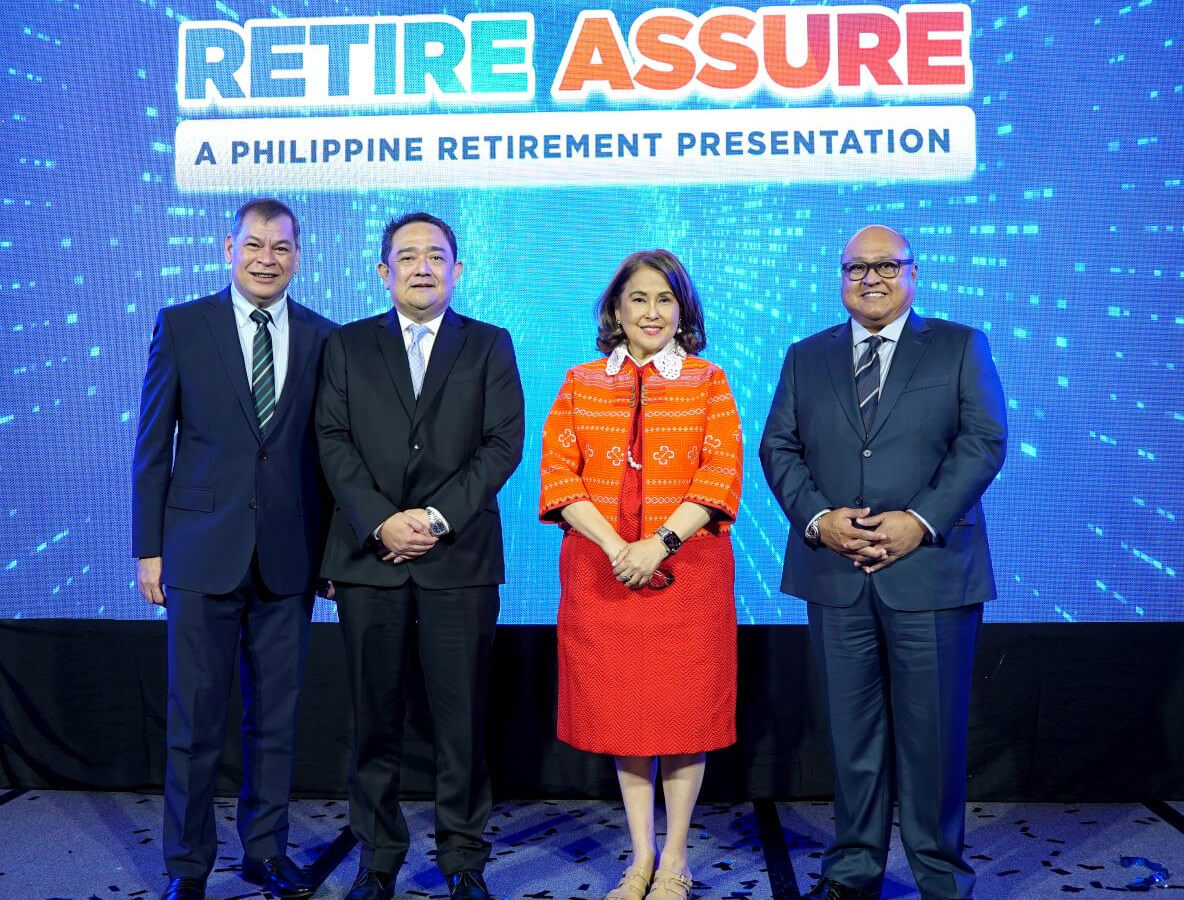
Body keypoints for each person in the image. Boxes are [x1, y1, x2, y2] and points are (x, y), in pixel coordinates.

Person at [759, 225, 1007, 900]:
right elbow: (779, 447)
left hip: (931, 573)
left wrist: (918, 522)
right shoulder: (806, 355)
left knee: (933, 740)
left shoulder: (959, 345)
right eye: (856, 268)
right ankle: (852, 871)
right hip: (835, 575)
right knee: (852, 737)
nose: (871, 278)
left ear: (914, 273)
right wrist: (821, 520)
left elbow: (984, 441)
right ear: (841, 278)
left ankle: (941, 879)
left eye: (886, 266)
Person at [316, 212, 524, 900]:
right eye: (407, 256)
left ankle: (464, 859)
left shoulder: (490, 344)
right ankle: (377, 858)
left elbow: (502, 444)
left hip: (458, 559)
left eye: (436, 256)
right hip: (368, 560)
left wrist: (433, 519)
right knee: (372, 720)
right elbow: (332, 440)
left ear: (458, 270)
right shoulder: (346, 345)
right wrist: (382, 522)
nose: (423, 267)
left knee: (460, 723)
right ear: (384, 272)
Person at [132, 198, 335, 900]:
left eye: (280, 247)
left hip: (289, 556)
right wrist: (149, 549)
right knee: (193, 721)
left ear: (297, 257)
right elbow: (152, 447)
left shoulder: (324, 337)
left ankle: (265, 852)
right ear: (229, 248)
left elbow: (330, 459)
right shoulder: (182, 325)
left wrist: (332, 556)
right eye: (254, 245)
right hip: (197, 553)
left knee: (274, 718)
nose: (266, 259)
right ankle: (186, 866)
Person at [539, 249, 742, 900]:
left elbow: (720, 473)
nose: (651, 312)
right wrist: (615, 546)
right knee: (628, 718)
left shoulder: (709, 380)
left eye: (665, 299)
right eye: (638, 299)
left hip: (688, 572)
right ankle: (641, 857)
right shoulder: (579, 381)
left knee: (682, 719)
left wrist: (659, 543)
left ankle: (676, 858)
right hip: (602, 572)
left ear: (683, 310)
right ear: (616, 310)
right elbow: (559, 476)